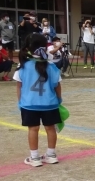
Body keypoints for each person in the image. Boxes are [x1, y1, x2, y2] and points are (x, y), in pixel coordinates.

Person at [14, 33, 62, 167]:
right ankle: (51, 155)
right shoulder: (51, 66)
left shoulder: (23, 65)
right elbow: (57, 85)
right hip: (50, 103)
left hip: (29, 104)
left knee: (33, 129)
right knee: (50, 128)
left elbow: (19, 86)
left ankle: (34, 158)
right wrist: (59, 99)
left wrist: (20, 102)